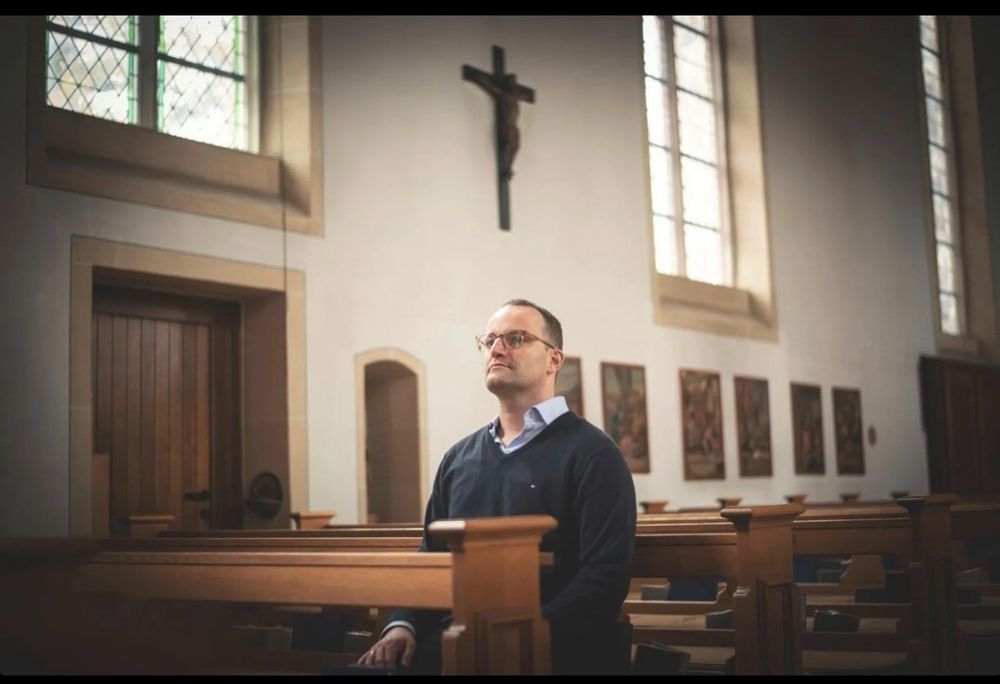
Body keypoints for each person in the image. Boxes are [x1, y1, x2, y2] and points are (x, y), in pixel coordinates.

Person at [358, 299, 637, 674]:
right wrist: (402, 625)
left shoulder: (594, 454)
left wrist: (518, 639)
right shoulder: (458, 458)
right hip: (454, 645)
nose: (497, 349)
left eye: (516, 338)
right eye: (489, 340)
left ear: (555, 360)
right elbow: (433, 558)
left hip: (555, 651)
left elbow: (604, 577)